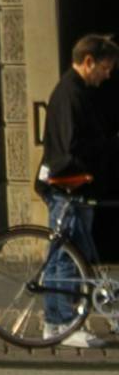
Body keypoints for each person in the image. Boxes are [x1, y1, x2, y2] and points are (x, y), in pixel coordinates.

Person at [37, 29, 119, 341]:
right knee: (66, 257)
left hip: (73, 184)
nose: (107, 75)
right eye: (105, 68)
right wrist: (109, 146)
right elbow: (71, 147)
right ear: (88, 61)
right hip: (69, 185)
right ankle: (62, 324)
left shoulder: (73, 91)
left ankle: (59, 322)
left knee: (74, 254)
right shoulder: (71, 94)